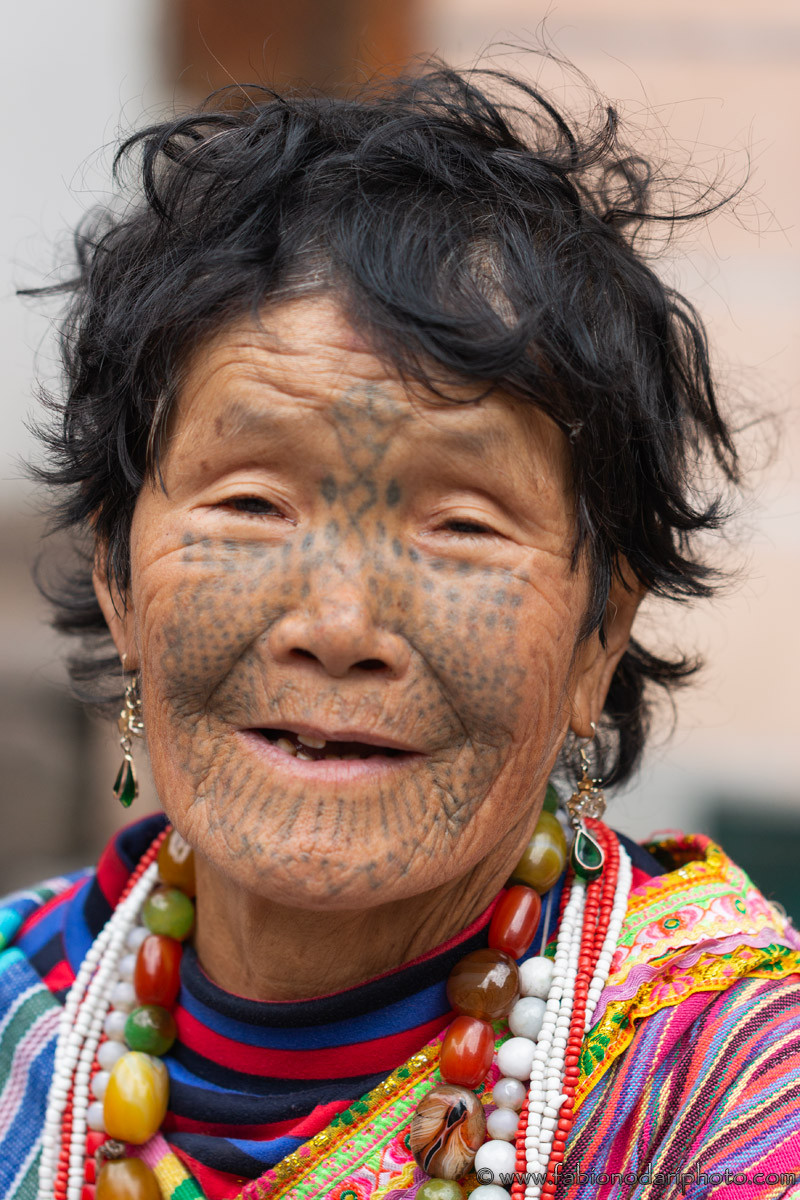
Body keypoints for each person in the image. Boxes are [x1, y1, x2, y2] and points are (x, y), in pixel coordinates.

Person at [1, 63, 799, 1200]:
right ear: (117, 578)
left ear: (598, 632)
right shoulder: (22, 1008)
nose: (338, 627)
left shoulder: (724, 1085)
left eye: (459, 525)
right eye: (250, 503)